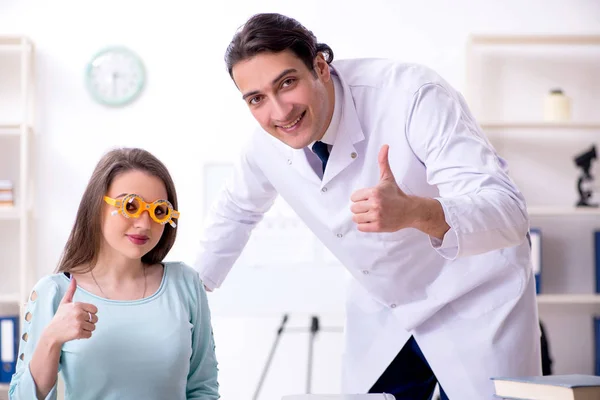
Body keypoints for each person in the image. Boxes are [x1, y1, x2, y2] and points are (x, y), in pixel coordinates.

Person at [194, 12, 541, 400]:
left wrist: (415, 212)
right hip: (386, 312)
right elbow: (236, 211)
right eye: (256, 99)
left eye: (287, 83)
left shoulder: (413, 95)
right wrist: (185, 296)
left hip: (477, 299)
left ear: (320, 67)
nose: (278, 112)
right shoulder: (266, 145)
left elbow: (507, 211)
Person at [9, 148, 220, 400]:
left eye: (159, 211)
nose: (144, 223)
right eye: (130, 206)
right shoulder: (54, 292)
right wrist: (51, 339)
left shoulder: (185, 284)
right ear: (97, 206)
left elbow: (203, 388)